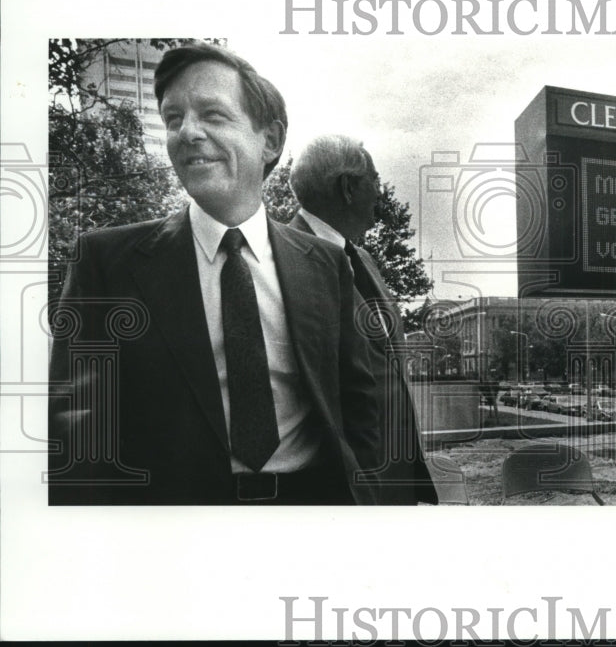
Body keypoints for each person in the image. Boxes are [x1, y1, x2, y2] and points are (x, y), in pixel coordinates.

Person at [48, 43, 380, 505]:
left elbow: (360, 406)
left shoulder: (325, 264)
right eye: (172, 118)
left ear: (270, 140)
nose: (187, 132)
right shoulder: (107, 262)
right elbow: (78, 428)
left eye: (213, 115)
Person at [289, 134, 438, 505]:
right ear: (348, 188)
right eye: (375, 180)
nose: (380, 192)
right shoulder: (280, 262)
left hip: (394, 481)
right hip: (340, 494)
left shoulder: (364, 260)